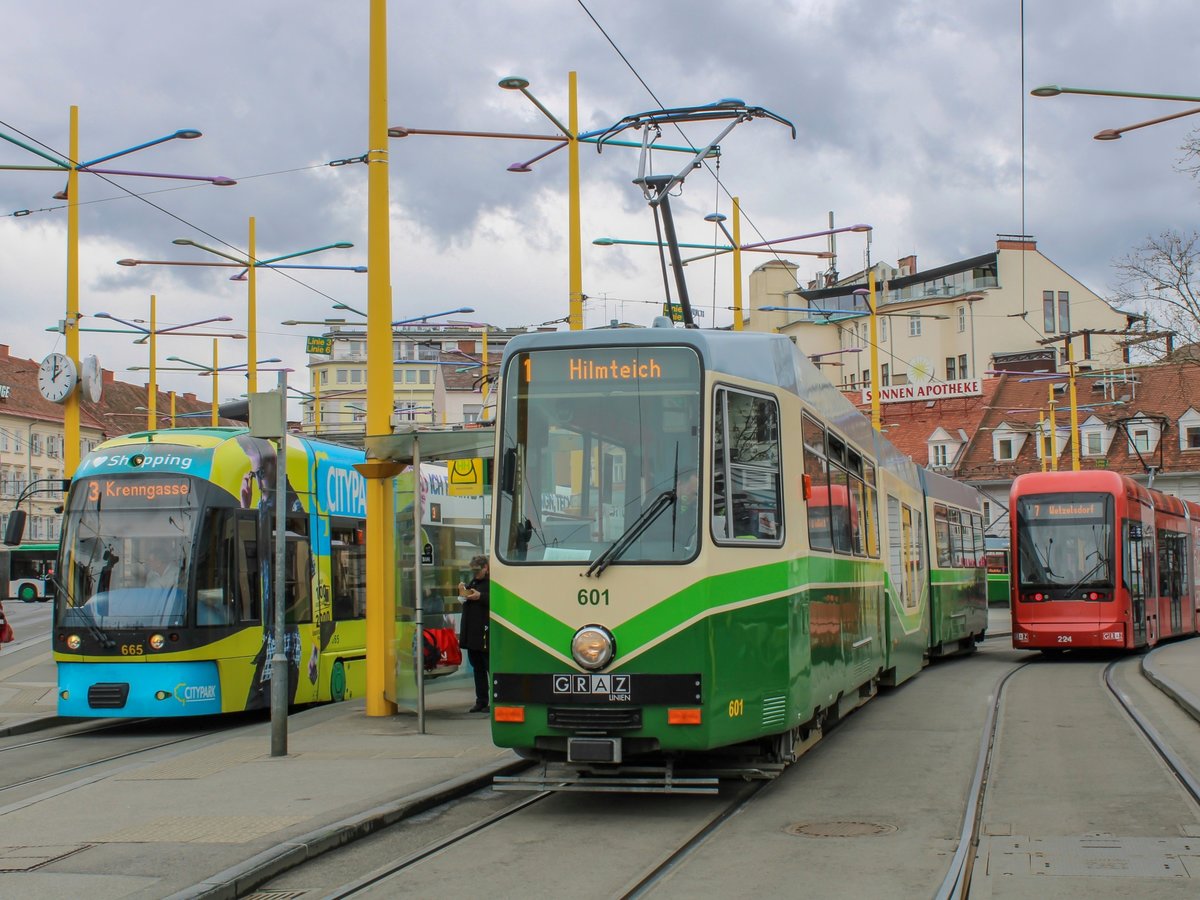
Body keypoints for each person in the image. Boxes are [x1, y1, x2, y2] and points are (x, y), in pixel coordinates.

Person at [458, 555, 490, 713]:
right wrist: (463, 594)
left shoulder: (492, 584)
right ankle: (481, 700)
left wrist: (481, 596)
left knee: (489, 666)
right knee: (477, 668)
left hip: (485, 631)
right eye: (473, 571)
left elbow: (497, 601)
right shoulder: (473, 582)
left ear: (485, 568)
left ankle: (495, 700)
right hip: (472, 632)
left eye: (477, 570)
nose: (475, 573)